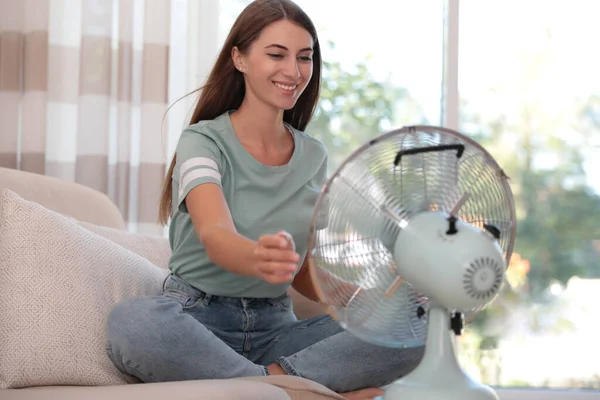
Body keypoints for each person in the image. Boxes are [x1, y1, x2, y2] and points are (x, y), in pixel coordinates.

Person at [105, 0, 424, 398]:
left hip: (277, 331)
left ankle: (264, 383)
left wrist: (371, 298)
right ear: (239, 58)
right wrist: (256, 257)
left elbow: (304, 271)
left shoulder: (313, 156)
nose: (293, 71)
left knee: (412, 328)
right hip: (196, 320)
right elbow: (214, 233)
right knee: (132, 322)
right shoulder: (201, 142)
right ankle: (294, 390)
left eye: (304, 58)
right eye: (277, 54)